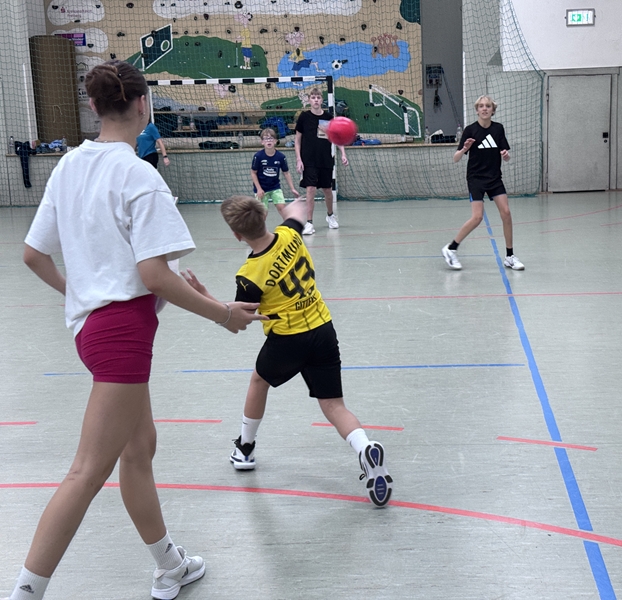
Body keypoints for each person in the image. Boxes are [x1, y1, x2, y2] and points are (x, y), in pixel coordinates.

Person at [3, 60, 265, 600]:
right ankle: (25, 591)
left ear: (94, 106)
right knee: (86, 471)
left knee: (139, 447)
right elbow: (154, 276)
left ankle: (170, 565)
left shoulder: (68, 166)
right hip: (121, 335)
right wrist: (223, 315)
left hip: (93, 330)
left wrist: (82, 296)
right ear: (143, 105)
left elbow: (33, 255)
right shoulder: (141, 176)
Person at [181, 196, 393, 508]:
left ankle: (245, 449)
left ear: (236, 235)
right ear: (264, 216)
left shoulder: (249, 275)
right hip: (323, 329)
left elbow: (237, 320)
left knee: (258, 382)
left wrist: (204, 296)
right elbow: (296, 213)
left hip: (288, 340)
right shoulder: (290, 234)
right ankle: (364, 447)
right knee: (333, 405)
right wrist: (294, 205)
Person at [442, 95, 524, 271]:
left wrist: (506, 156)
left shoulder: (498, 129)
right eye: (481, 106)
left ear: (493, 110)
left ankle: (510, 256)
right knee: (477, 217)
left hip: (494, 178)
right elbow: (456, 158)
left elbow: (506, 155)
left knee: (506, 213)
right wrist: (465, 148)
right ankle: (451, 248)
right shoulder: (470, 130)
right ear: (477, 110)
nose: (484, 108)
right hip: (476, 178)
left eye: (488, 106)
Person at [294, 87, 348, 234]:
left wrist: (343, 153)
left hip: (325, 159)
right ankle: (309, 223)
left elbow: (337, 138)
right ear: (309, 100)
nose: (316, 100)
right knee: (310, 189)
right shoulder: (304, 117)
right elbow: (297, 140)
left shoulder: (329, 118)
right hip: (309, 160)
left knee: (327, 190)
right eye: (313, 97)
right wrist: (299, 159)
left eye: (318, 97)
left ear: (321, 100)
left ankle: (330, 215)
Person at [251, 127, 299, 221]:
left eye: (271, 138)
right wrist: (259, 189)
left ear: (275, 141)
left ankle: (288, 227)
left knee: (283, 209)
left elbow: (286, 173)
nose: (269, 141)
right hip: (261, 188)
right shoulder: (258, 156)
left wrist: (292, 188)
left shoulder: (281, 157)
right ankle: (259, 229)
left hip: (275, 187)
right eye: (266, 138)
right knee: (262, 213)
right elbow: (253, 173)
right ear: (262, 142)